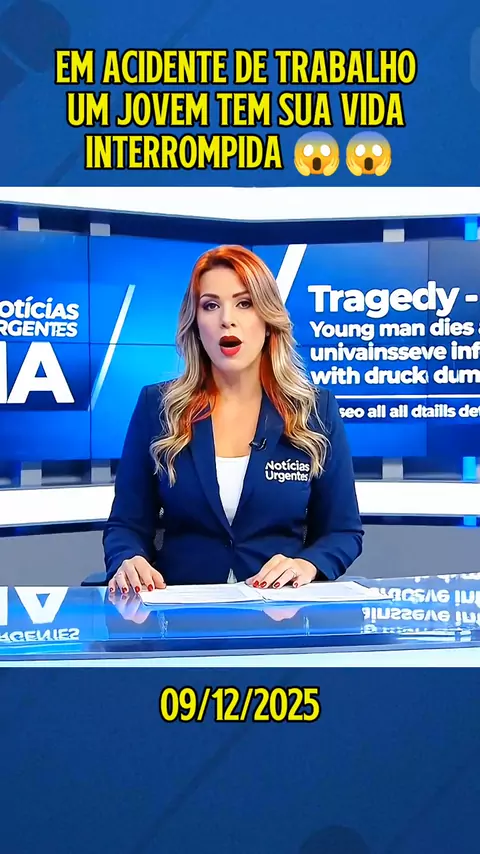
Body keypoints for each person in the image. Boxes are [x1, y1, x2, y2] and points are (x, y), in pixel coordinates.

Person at [103, 245, 363, 593]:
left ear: (268, 320)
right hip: (181, 607)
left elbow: (342, 532)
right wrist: (128, 559)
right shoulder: (158, 406)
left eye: (244, 303)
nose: (227, 319)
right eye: (211, 305)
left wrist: (306, 565)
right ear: (195, 324)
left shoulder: (315, 410)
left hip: (279, 609)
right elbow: (126, 525)